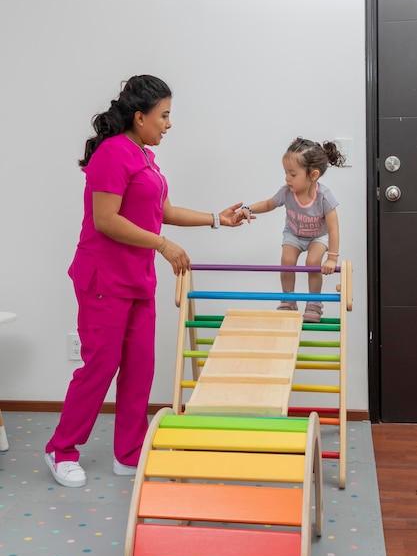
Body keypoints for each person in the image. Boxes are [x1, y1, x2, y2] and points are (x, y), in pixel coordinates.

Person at [45, 74, 245, 488]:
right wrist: (162, 245)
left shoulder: (144, 155)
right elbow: (106, 220)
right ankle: (61, 449)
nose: (169, 124)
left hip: (136, 279)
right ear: (140, 117)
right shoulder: (112, 154)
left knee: (139, 366)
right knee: (101, 364)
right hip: (103, 276)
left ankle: (129, 454)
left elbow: (162, 210)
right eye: (164, 116)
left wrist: (215, 219)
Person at [233, 137, 343, 323]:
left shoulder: (324, 196)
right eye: (286, 173)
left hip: (318, 236)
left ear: (313, 175)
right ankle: (288, 301)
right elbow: (269, 203)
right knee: (287, 260)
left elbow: (333, 230)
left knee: (313, 261)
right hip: (294, 234)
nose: (287, 178)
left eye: (293, 174)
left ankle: (314, 303)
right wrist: (248, 209)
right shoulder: (287, 192)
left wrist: (332, 258)